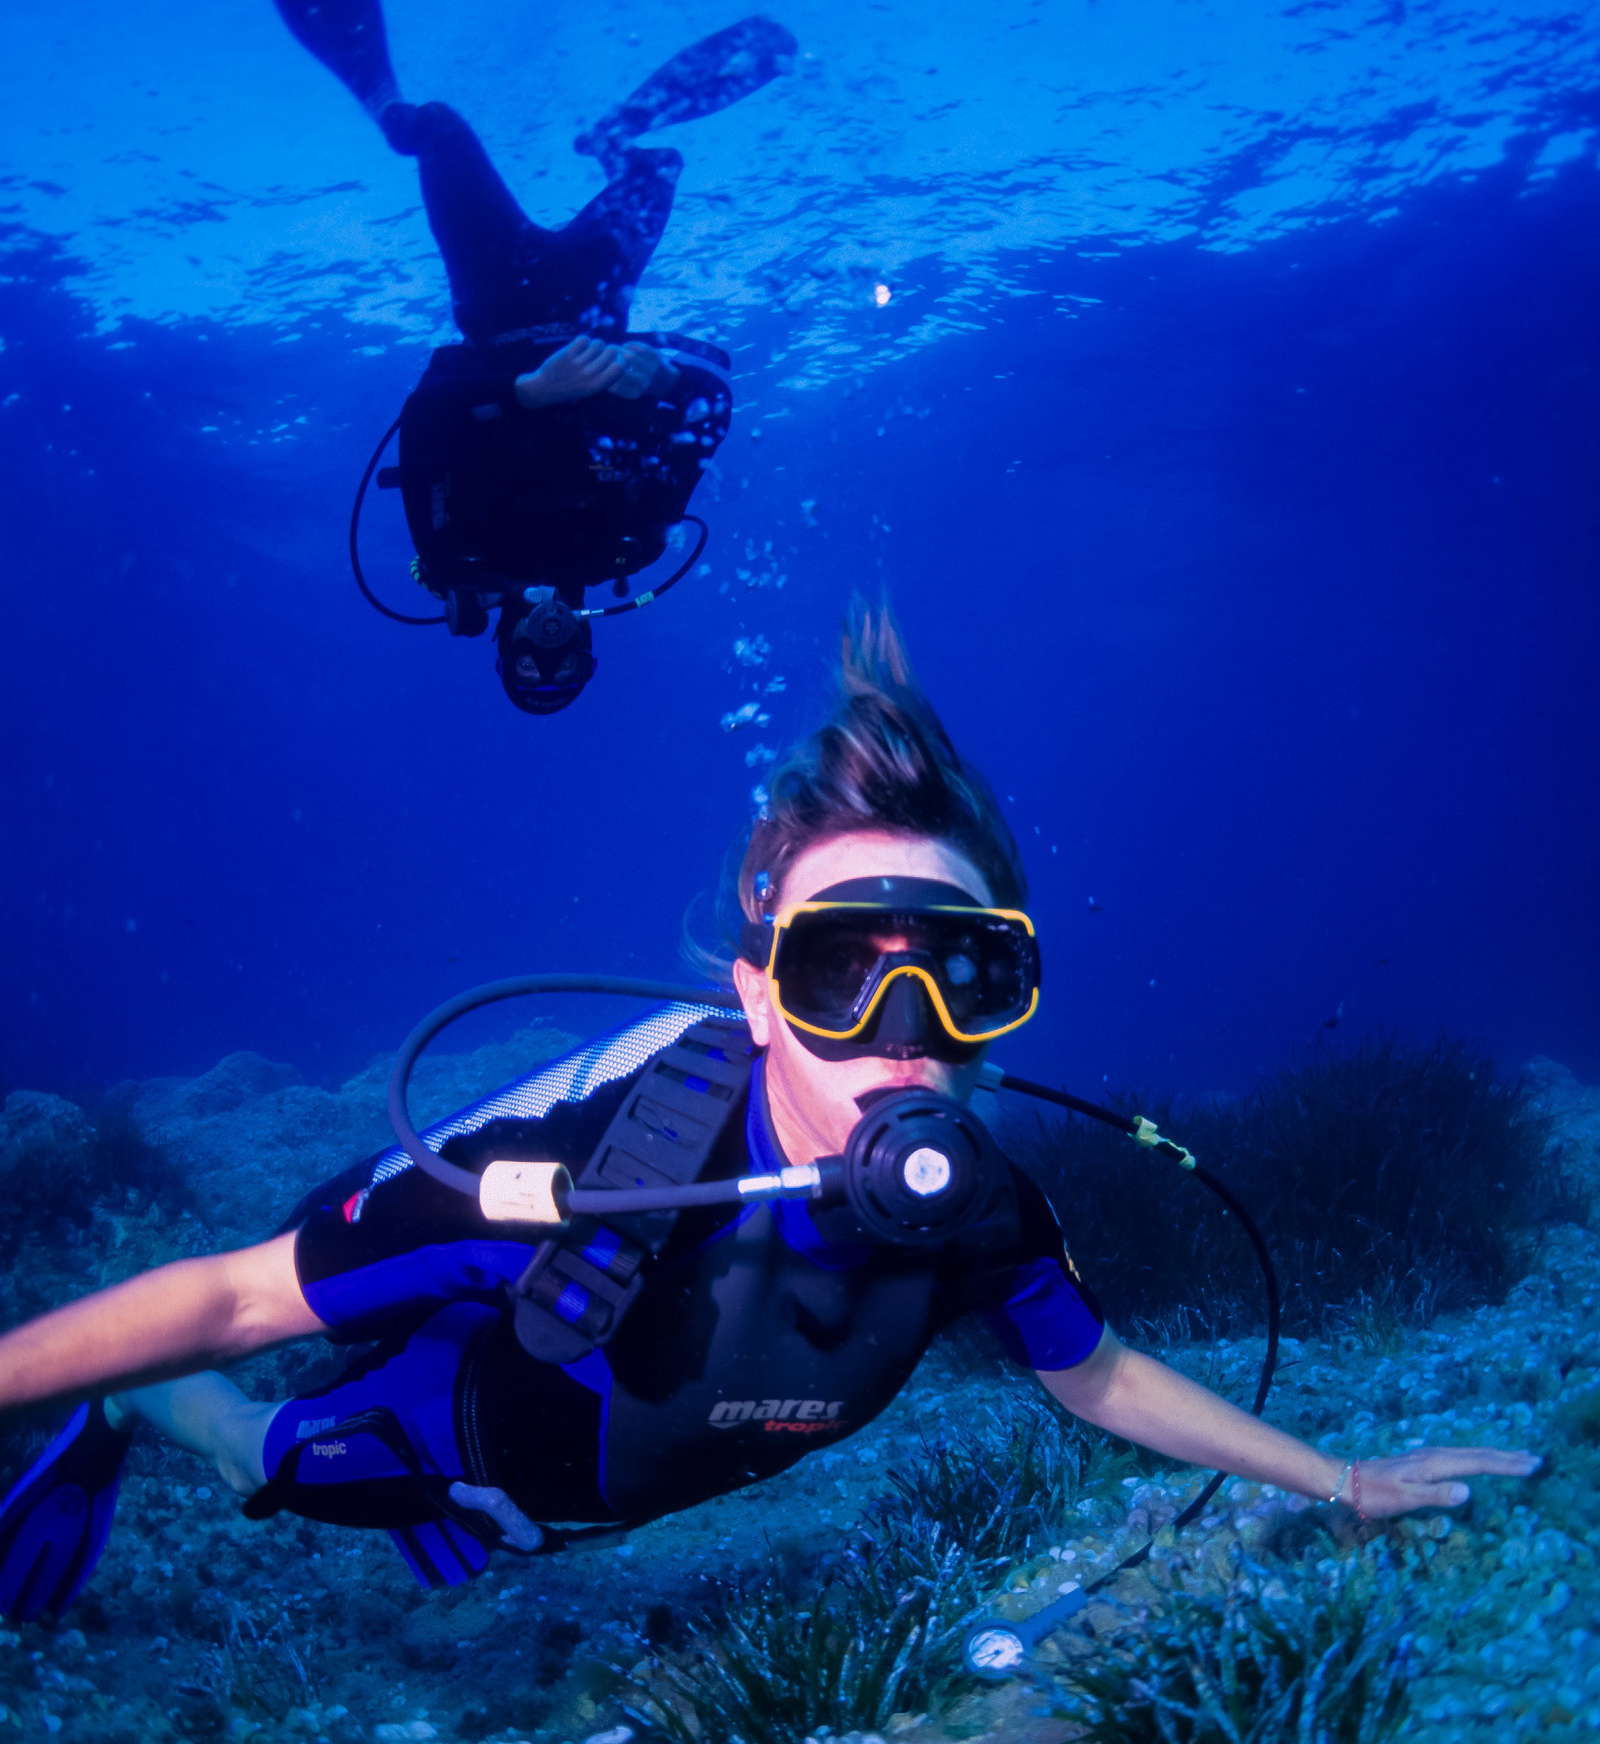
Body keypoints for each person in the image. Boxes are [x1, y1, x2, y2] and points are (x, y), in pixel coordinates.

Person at [0, 610, 1537, 1616]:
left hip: (586, 1498)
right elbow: (230, 1296)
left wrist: (1345, 1483)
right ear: (754, 995)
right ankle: (123, 1415)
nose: (904, 1036)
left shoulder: (984, 1208)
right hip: (462, 1446)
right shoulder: (599, 1163)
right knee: (263, 1452)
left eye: (962, 975)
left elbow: (1102, 1377)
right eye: (835, 975)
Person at [251, 0, 796, 713]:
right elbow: (711, 409)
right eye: (564, 666)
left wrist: (524, 396)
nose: (548, 652)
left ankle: (382, 97)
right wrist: (659, 385)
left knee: (431, 131)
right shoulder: (633, 542)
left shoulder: (457, 558)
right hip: (595, 297)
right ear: (588, 649)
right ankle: (618, 134)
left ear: (501, 651)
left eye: (529, 669)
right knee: (656, 169)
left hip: (496, 292)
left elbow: (424, 421)